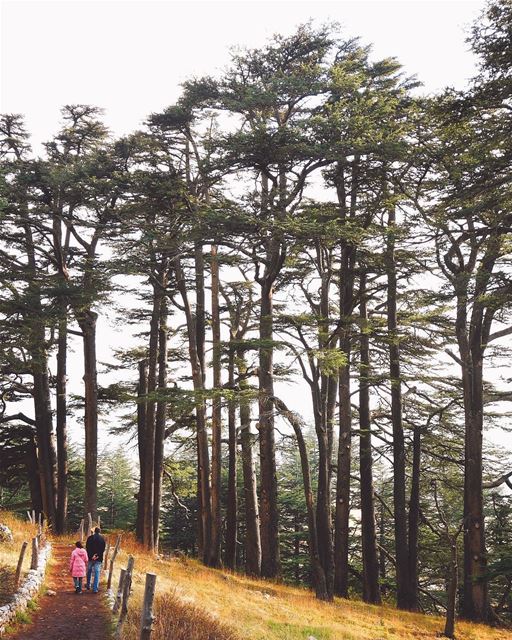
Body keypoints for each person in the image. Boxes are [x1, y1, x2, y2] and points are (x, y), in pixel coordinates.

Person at [85, 526, 106, 593]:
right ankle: (95, 589)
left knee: (89, 571)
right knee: (97, 572)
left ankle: (88, 585)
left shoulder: (90, 538)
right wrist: (96, 555)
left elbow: (87, 548)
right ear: (99, 531)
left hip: (90, 557)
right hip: (98, 558)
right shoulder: (102, 539)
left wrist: (91, 556)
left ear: (94, 531)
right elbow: (102, 549)